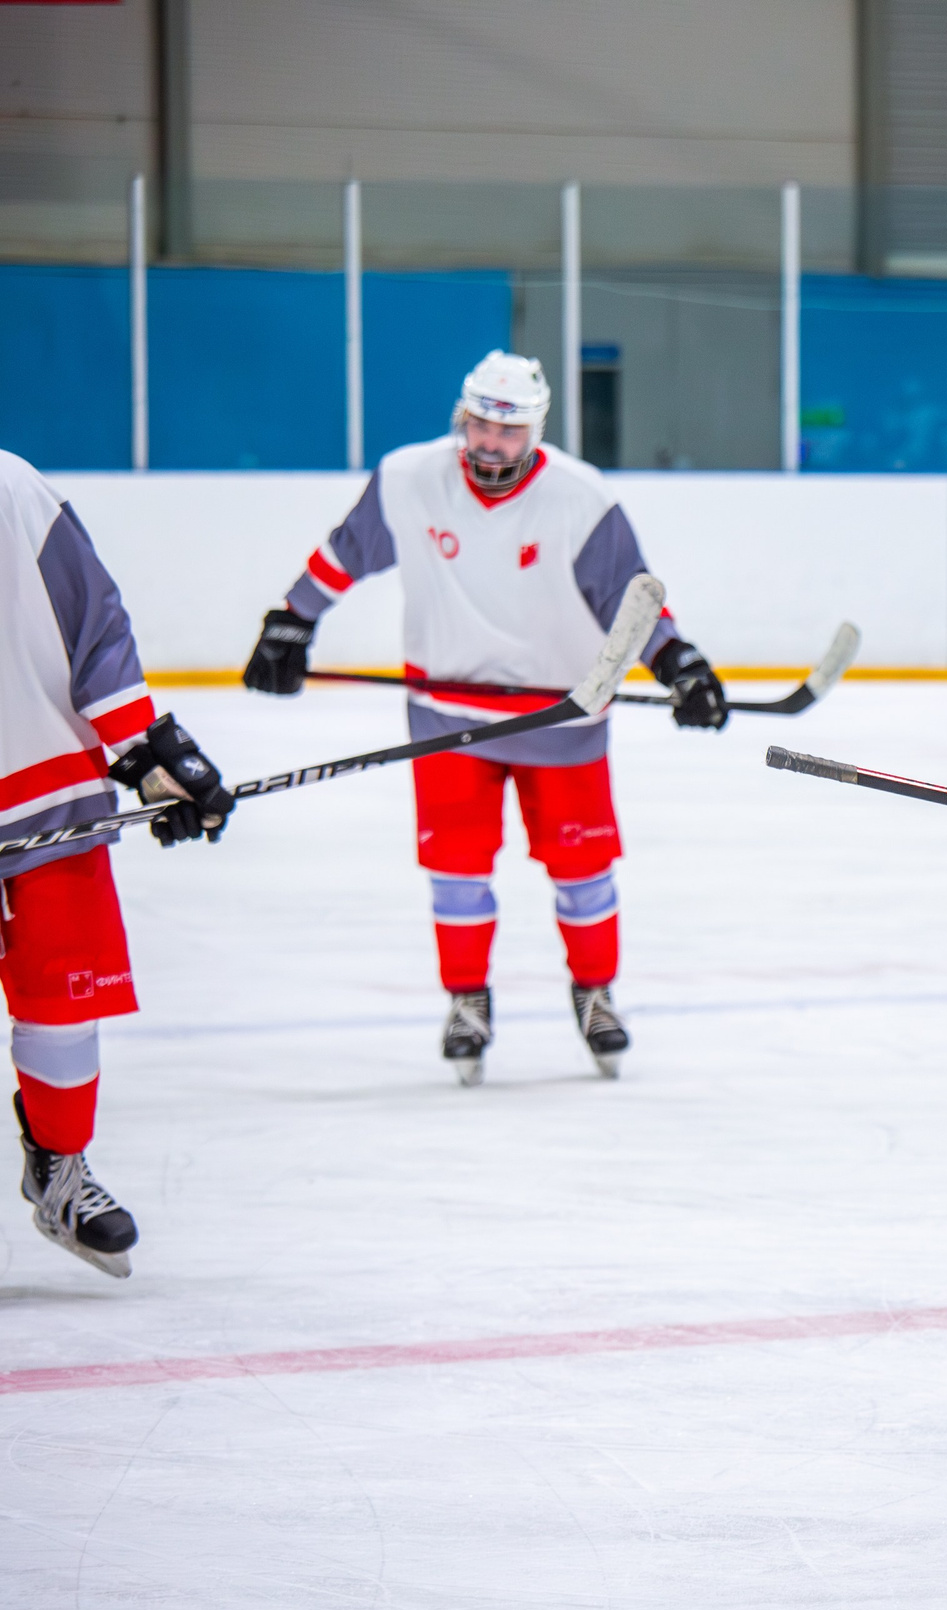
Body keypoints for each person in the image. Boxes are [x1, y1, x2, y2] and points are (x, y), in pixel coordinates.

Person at [240, 351, 727, 1084]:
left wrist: (678, 662)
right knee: (456, 871)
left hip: (561, 718)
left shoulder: (578, 495)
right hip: (449, 717)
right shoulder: (409, 479)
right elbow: (343, 554)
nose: (492, 443)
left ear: (537, 428)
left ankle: (595, 994)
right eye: (481, 424)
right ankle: (467, 1002)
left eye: (510, 429)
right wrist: (291, 621)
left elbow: (630, 597)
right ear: (461, 417)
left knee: (584, 868)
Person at [2, 447, 231, 1276]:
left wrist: (146, 754)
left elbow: (93, 625)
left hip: (42, 785)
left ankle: (59, 1166)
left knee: (64, 995)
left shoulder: (14, 488)